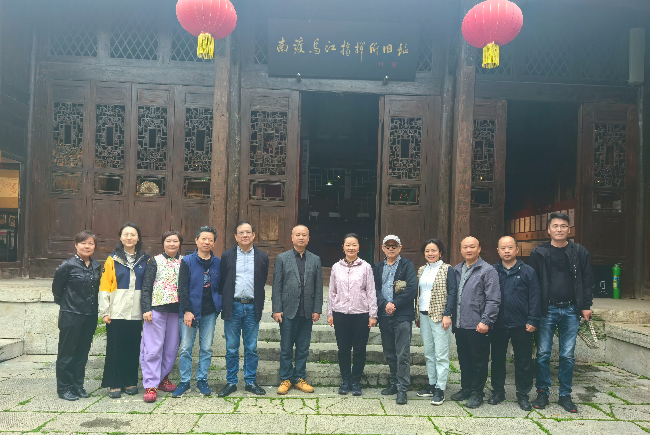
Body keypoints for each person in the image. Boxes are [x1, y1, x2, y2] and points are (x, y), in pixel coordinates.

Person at [529, 212, 594, 413]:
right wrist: (533, 310)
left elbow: (587, 280)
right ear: (548, 229)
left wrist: (586, 305)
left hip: (571, 309)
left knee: (567, 355)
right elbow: (532, 283)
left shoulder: (579, 252)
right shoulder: (539, 252)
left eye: (563, 226)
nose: (559, 229)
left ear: (569, 229)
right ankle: (543, 392)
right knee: (543, 353)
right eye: (555, 226)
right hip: (546, 309)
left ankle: (565, 394)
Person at [217, 221, 269, 397]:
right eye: (241, 232)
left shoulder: (262, 257)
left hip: (253, 307)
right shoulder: (227, 256)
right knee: (232, 347)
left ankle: (250, 382)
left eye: (248, 232)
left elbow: (262, 281)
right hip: (233, 306)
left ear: (254, 235)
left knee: (251, 347)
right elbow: (223, 281)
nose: (245, 235)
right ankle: (231, 382)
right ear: (236, 236)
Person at [489, 236, 541, 411]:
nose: (507, 251)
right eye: (503, 248)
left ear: (517, 250)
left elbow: (535, 297)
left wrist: (532, 320)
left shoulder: (528, 271)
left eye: (510, 247)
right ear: (498, 251)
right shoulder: (492, 271)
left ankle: (523, 394)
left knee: (523, 361)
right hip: (498, 323)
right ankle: (498, 392)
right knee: (497, 359)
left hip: (522, 324)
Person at [272, 225, 324, 395]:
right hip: (288, 310)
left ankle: (299, 378)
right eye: (298, 235)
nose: (301, 238)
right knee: (286, 347)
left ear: (308, 238)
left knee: (303, 347)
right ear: (292, 238)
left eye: (304, 235)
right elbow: (277, 286)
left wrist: (317, 309)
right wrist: (277, 309)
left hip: (307, 311)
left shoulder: (315, 259)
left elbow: (318, 286)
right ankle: (286, 378)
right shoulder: (282, 258)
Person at [99, 222, 149, 399]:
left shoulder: (145, 260)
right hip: (117, 310)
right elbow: (105, 286)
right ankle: (114, 383)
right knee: (115, 348)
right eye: (126, 234)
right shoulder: (112, 259)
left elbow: (148, 286)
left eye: (133, 234)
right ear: (120, 238)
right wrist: (105, 311)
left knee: (133, 347)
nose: (129, 237)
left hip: (137, 311)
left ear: (138, 238)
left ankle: (130, 381)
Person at [450, 236, 500, 409]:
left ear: (479, 249)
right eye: (465, 247)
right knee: (464, 359)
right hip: (460, 323)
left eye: (472, 247)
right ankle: (466, 389)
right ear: (461, 250)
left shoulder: (487, 270)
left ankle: (477, 392)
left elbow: (493, 299)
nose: (468, 250)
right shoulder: (457, 269)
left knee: (478, 360)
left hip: (478, 324)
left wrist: (486, 320)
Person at [173, 226, 222, 398]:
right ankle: (185, 381)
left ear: (214, 242)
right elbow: (183, 287)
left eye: (210, 240)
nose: (207, 242)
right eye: (203, 239)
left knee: (206, 348)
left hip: (209, 313)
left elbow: (220, 286)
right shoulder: (187, 261)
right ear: (196, 240)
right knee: (186, 348)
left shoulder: (218, 262)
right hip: (190, 312)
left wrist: (218, 306)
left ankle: (202, 380)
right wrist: (186, 310)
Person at [52, 230, 101, 401]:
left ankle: (77, 386)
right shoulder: (67, 265)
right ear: (76, 245)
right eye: (83, 243)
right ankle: (64, 388)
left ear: (94, 246)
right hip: (71, 314)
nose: (87, 246)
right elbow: (57, 291)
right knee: (67, 352)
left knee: (82, 352)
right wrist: (68, 305)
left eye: (90, 243)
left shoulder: (96, 265)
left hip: (90, 315)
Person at [327, 233, 378, 397]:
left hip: (361, 313)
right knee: (343, 349)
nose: (351, 248)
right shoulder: (336, 267)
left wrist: (373, 314)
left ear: (358, 247)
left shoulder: (366, 267)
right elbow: (332, 291)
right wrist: (330, 312)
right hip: (340, 313)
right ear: (343, 247)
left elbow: (371, 291)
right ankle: (345, 381)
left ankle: (356, 381)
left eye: (354, 245)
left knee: (359, 350)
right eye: (348, 245)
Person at [140, 230, 184, 402]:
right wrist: (146, 308)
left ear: (180, 243)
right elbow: (146, 286)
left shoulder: (184, 262)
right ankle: (151, 385)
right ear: (163, 243)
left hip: (176, 311)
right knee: (153, 348)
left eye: (175, 241)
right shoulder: (155, 261)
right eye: (168, 241)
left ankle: (163, 378)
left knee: (171, 348)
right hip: (156, 310)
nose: (172, 244)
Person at [373, 235, 417, 405]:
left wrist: (395, 304)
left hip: (402, 315)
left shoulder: (407, 265)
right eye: (388, 246)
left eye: (394, 246)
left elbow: (411, 288)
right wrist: (385, 304)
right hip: (384, 315)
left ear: (400, 247)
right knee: (390, 352)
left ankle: (402, 388)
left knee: (402, 353)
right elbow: (374, 289)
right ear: (383, 248)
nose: (391, 249)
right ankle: (394, 382)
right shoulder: (377, 267)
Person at [415, 238, 457, 406]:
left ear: (440, 252)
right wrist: (418, 315)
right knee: (429, 353)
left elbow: (452, 292)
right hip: (424, 315)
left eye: (434, 250)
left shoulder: (447, 269)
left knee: (441, 354)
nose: (430, 253)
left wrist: (448, 314)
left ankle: (440, 388)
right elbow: (419, 293)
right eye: (427, 251)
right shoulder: (422, 269)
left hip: (440, 316)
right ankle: (432, 384)